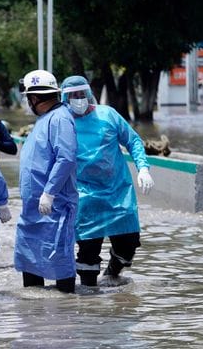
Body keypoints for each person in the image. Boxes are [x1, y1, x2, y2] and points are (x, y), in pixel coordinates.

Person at [60, 75, 155, 287]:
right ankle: (89, 301)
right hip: (84, 195)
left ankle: (112, 273)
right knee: (87, 253)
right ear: (64, 98)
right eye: (72, 96)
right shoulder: (62, 122)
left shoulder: (108, 115)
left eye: (81, 94)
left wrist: (143, 169)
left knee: (128, 244)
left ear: (88, 93)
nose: (78, 99)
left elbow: (133, 141)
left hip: (117, 191)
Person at [14, 70, 78, 294]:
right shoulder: (44, 120)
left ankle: (67, 310)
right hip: (33, 209)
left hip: (54, 205)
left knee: (59, 259)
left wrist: (49, 193)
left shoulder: (59, 119)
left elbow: (66, 157)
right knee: (30, 260)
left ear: (34, 98)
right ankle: (34, 316)